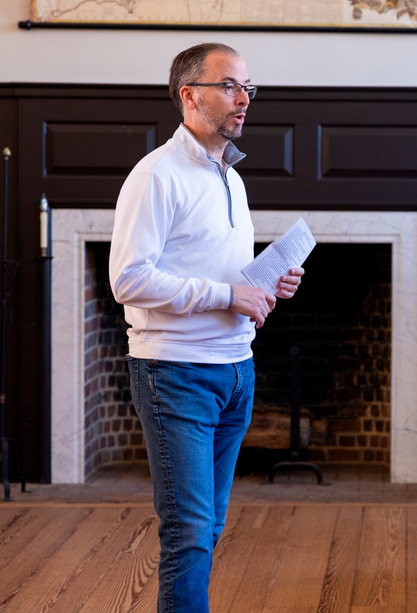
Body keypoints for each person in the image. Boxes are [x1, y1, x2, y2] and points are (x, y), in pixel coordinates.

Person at [110, 42, 304, 612]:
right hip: (175, 373)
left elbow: (216, 272)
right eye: (229, 86)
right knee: (189, 533)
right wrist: (228, 294)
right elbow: (129, 280)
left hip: (234, 370)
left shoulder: (230, 176)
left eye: (248, 87)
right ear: (188, 95)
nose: (243, 99)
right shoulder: (156, 175)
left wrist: (266, 286)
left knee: (209, 527)